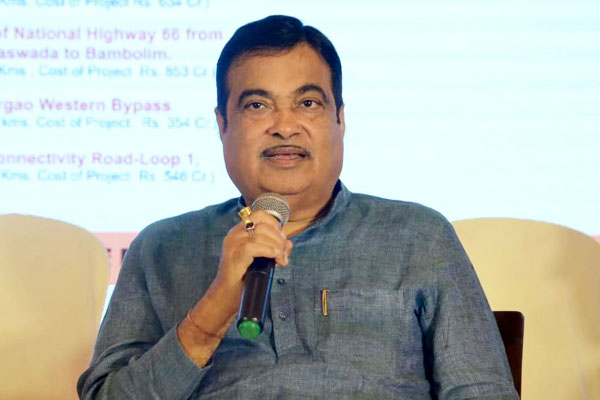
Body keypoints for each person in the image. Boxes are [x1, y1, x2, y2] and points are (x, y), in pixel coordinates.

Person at [78, 15, 518, 399]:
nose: (285, 126)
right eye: (257, 105)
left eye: (307, 103)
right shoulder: (161, 248)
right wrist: (211, 313)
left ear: (340, 119)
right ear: (222, 125)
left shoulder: (418, 235)